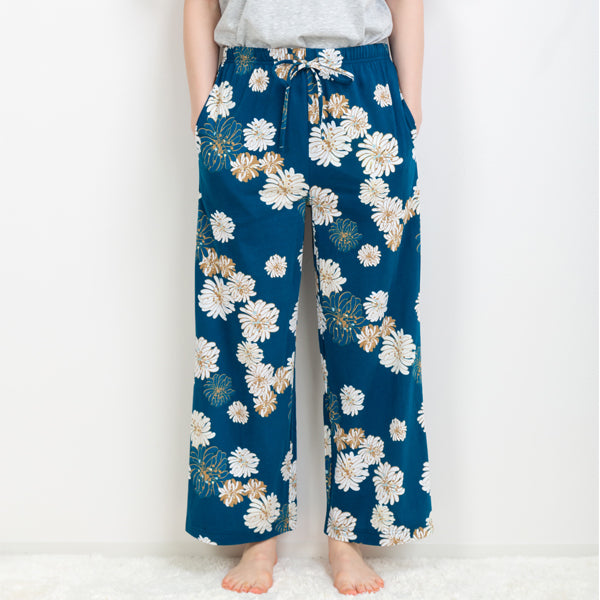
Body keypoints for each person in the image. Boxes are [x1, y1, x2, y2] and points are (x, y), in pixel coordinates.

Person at [183, 0, 433, 595]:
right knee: (244, 327)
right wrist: (205, 114)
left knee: (374, 328)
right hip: (248, 95)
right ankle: (256, 534)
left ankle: (352, 535)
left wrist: (408, 105)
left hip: (363, 94)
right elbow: (198, 5)